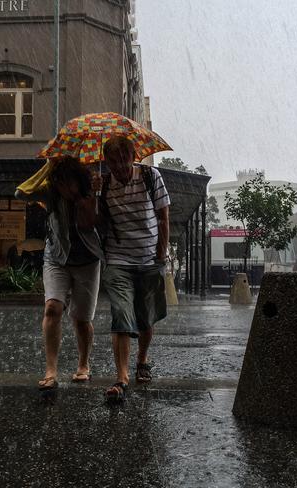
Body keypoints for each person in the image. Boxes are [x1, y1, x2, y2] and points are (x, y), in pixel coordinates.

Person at [15, 156, 103, 391]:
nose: (62, 186)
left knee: (81, 319)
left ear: (78, 180)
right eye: (58, 181)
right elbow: (20, 194)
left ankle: (83, 364)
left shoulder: (93, 191)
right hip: (57, 257)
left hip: (88, 260)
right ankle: (51, 371)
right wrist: (48, 167)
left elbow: (99, 222)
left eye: (67, 181)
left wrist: (93, 196)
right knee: (52, 308)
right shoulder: (50, 193)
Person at [99, 135, 170, 402]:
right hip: (118, 260)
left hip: (149, 259)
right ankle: (122, 378)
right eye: (113, 163)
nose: (119, 167)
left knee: (145, 318)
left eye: (123, 160)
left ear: (133, 156)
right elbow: (96, 222)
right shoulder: (104, 184)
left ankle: (142, 359)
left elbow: (164, 218)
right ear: (105, 163)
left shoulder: (151, 177)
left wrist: (160, 255)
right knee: (120, 314)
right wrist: (94, 195)